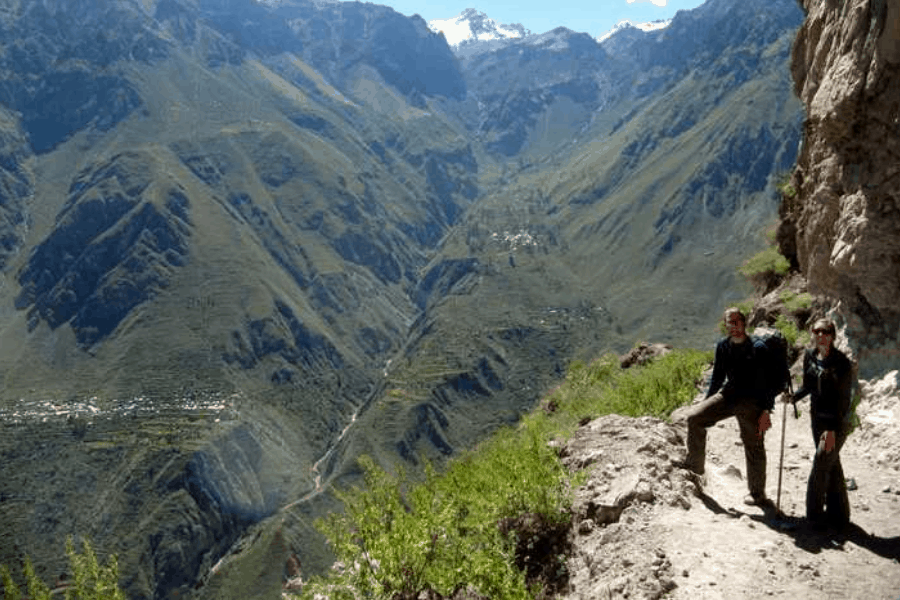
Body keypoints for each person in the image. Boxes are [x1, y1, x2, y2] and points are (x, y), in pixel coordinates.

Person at [682, 307, 777, 507]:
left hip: (752, 402)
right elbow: (717, 377)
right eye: (729, 323)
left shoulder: (758, 348)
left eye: (736, 322)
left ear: (743, 323)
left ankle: (758, 494)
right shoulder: (723, 347)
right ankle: (695, 468)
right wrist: (706, 402)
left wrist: (766, 411)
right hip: (728, 396)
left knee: (754, 446)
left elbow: (768, 384)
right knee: (694, 418)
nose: (732, 326)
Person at [788, 318, 853, 530]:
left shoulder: (842, 363)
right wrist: (793, 397)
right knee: (831, 465)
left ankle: (813, 518)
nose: (820, 336)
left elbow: (844, 401)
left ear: (833, 336)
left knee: (820, 466)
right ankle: (840, 516)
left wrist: (833, 431)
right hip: (816, 419)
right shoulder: (809, 356)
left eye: (825, 332)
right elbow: (808, 386)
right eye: (816, 331)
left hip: (836, 423)